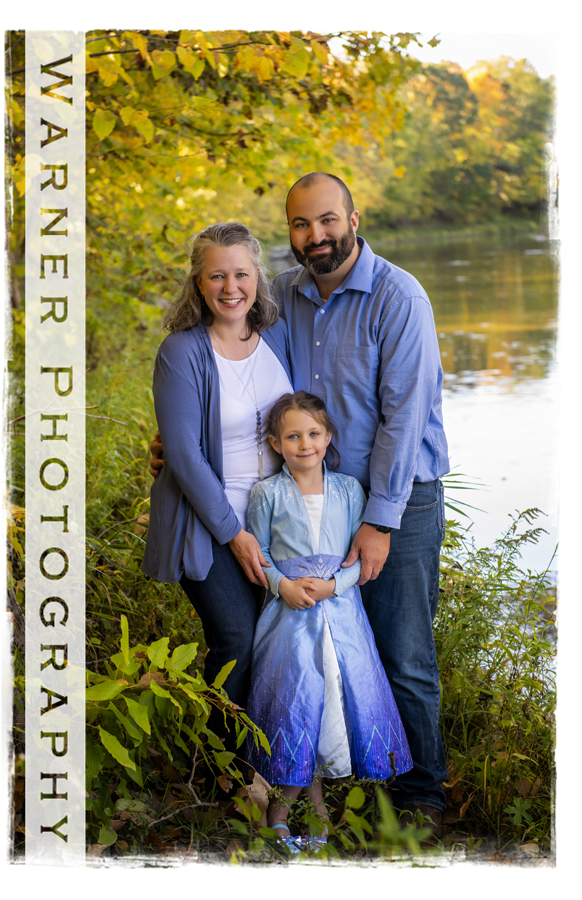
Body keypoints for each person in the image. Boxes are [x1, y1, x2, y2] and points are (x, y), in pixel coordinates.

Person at [150, 172, 450, 837]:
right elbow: (240, 387)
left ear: (353, 216)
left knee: (399, 653)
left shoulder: (398, 297)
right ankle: (301, 779)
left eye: (326, 221)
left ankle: (420, 794)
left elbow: (404, 420)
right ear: (288, 233)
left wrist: (378, 522)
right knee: (318, 647)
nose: (315, 236)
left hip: (393, 499)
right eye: (300, 225)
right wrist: (175, 438)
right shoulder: (281, 295)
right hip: (305, 504)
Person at [141, 222, 294, 744]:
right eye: (217, 276)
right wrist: (234, 532)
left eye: (241, 274)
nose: (231, 288)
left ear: (258, 279)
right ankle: (227, 772)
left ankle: (275, 761)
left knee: (279, 640)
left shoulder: (278, 338)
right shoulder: (182, 352)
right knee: (237, 637)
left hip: (276, 521)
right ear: (198, 284)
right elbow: (181, 452)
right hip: (208, 523)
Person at [245, 391, 412, 855]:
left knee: (333, 709)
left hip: (341, 619)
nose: (305, 444)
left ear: (328, 436)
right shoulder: (267, 494)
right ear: (276, 443)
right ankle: (277, 813)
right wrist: (283, 586)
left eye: (314, 434)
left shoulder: (347, 490)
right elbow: (259, 555)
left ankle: (317, 813)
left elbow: (361, 562)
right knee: (297, 704)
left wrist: (335, 586)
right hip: (290, 622)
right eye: (293, 436)